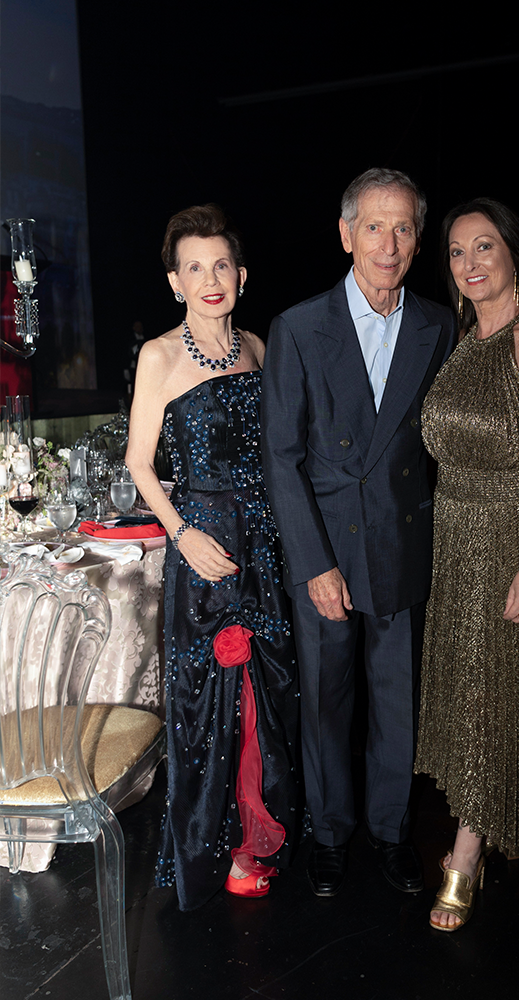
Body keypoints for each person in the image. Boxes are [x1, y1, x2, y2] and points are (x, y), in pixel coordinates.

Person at [262, 168, 456, 897]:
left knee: (396, 702)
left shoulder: (439, 325)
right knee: (327, 701)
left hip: (403, 542)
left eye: (404, 226)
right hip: (327, 549)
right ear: (346, 235)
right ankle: (331, 833)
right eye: (374, 225)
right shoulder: (300, 326)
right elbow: (282, 456)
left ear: (418, 238)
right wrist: (314, 562)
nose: (389, 241)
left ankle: (390, 829)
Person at [414, 198, 519, 931]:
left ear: (514, 255)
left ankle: (465, 856)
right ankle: (495, 816)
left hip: (516, 536)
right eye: (456, 251)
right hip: (456, 541)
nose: (470, 263)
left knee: (490, 692)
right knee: (473, 691)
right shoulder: (458, 343)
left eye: (484, 247)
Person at [126, 204, 298, 911]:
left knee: (267, 697)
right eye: (193, 268)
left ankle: (256, 836)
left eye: (220, 264)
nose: (210, 279)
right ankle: (212, 846)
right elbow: (139, 464)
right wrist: (181, 535)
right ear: (175, 282)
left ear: (242, 273)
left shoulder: (258, 346)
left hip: (263, 546)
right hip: (203, 548)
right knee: (210, 708)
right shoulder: (159, 356)